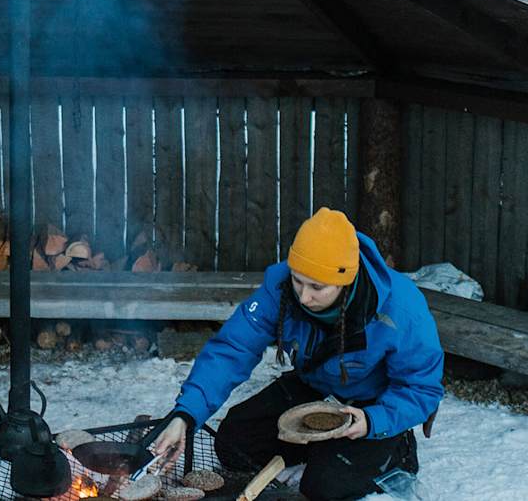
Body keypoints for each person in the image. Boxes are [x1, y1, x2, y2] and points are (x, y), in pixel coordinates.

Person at [152, 208, 443, 500]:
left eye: (318, 287)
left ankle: (397, 449)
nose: (304, 297)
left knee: (324, 487)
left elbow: (422, 387)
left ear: (347, 281)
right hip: (314, 388)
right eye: (298, 280)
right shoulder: (279, 288)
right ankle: (323, 449)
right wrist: (186, 415)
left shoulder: (401, 309)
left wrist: (374, 420)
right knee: (233, 444)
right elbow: (233, 349)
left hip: (370, 405)